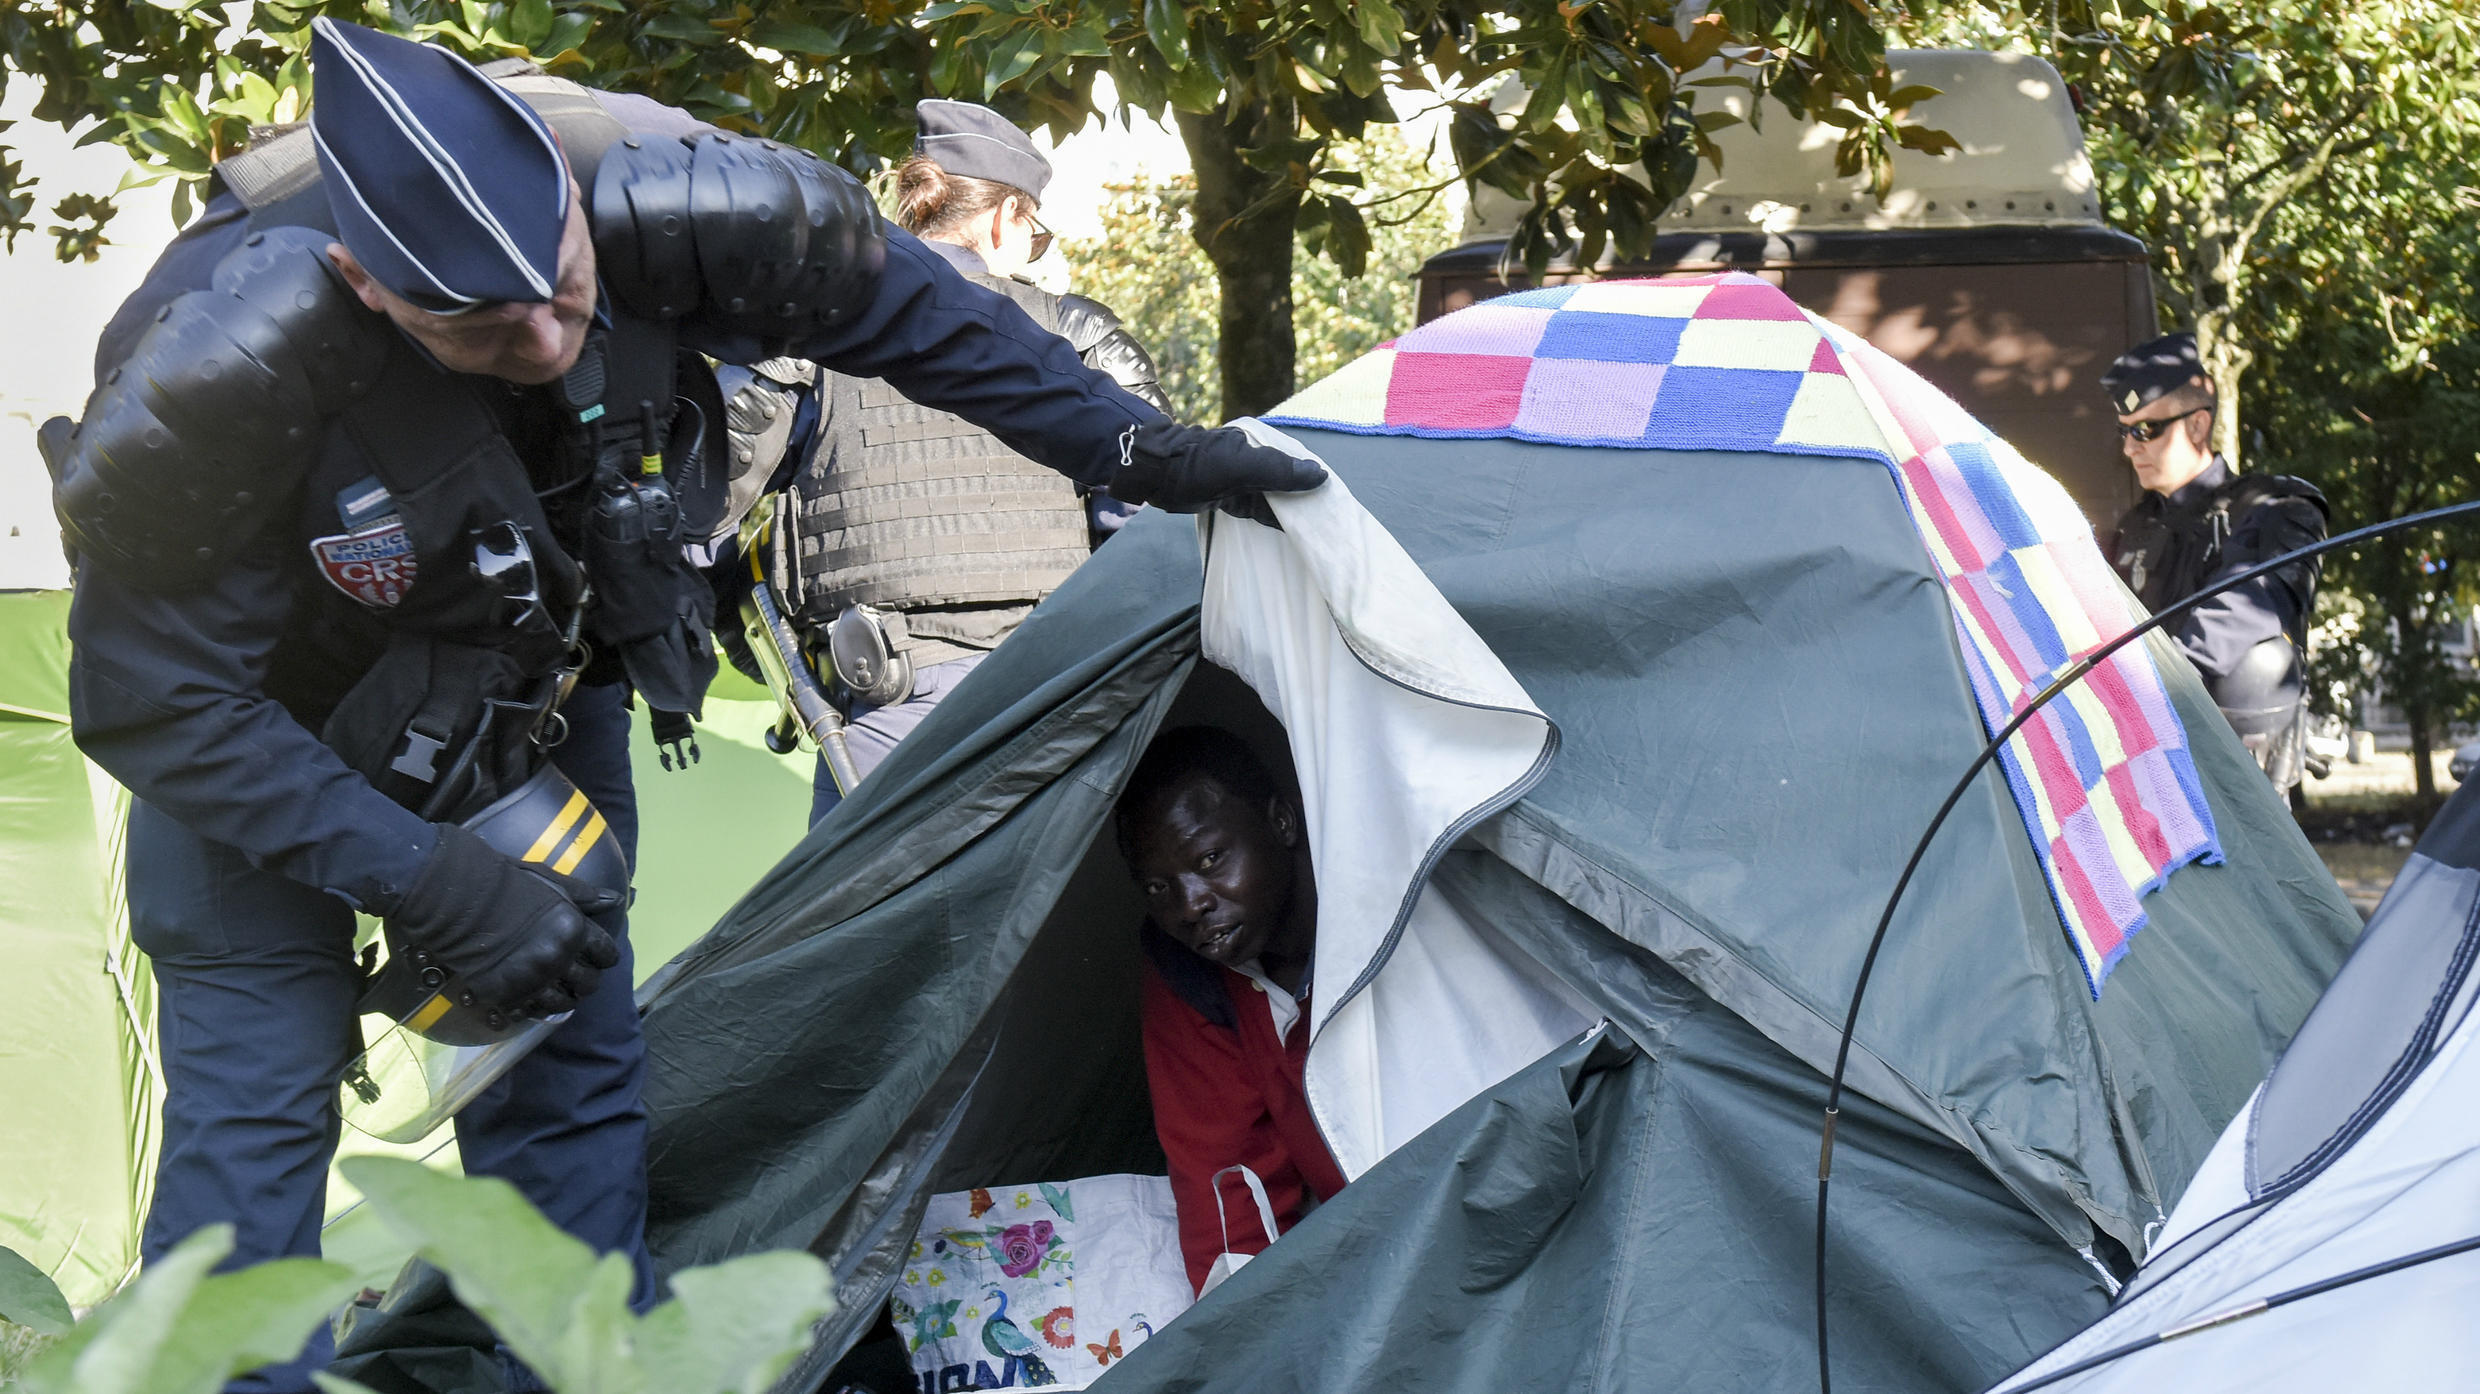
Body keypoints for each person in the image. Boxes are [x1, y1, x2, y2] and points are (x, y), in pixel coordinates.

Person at [41, 21, 1320, 1393]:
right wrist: (430, 881)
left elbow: (921, 315)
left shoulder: (668, 199)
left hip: (528, 680)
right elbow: (148, 703)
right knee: (255, 1130)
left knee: (572, 1082)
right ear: (365, 282)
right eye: (484, 322)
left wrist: (1138, 446)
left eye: (565, 283)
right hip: (268, 741)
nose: (545, 335)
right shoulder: (228, 362)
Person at [720, 99, 1171, 824]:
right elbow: (1157, 530)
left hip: (876, 716)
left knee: (871, 935)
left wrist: (778, 669)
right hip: (1054, 706)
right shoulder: (1077, 336)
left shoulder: (808, 337)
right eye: (1037, 235)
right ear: (1005, 220)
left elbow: (692, 513)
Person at [1114, 727, 1346, 1295]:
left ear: (1282, 824)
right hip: (1369, 1235)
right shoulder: (1190, 973)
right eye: (1159, 887)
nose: (1191, 904)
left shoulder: (1381, 905)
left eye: (1211, 858)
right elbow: (1225, 1197)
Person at [2100, 332, 2329, 790]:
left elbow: (2239, 616)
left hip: (2233, 775)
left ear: (2198, 426)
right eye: (2124, 431)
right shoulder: (2131, 528)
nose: (2129, 448)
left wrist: (2134, 695)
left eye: (2145, 430)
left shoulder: (2275, 509)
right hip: (2142, 764)